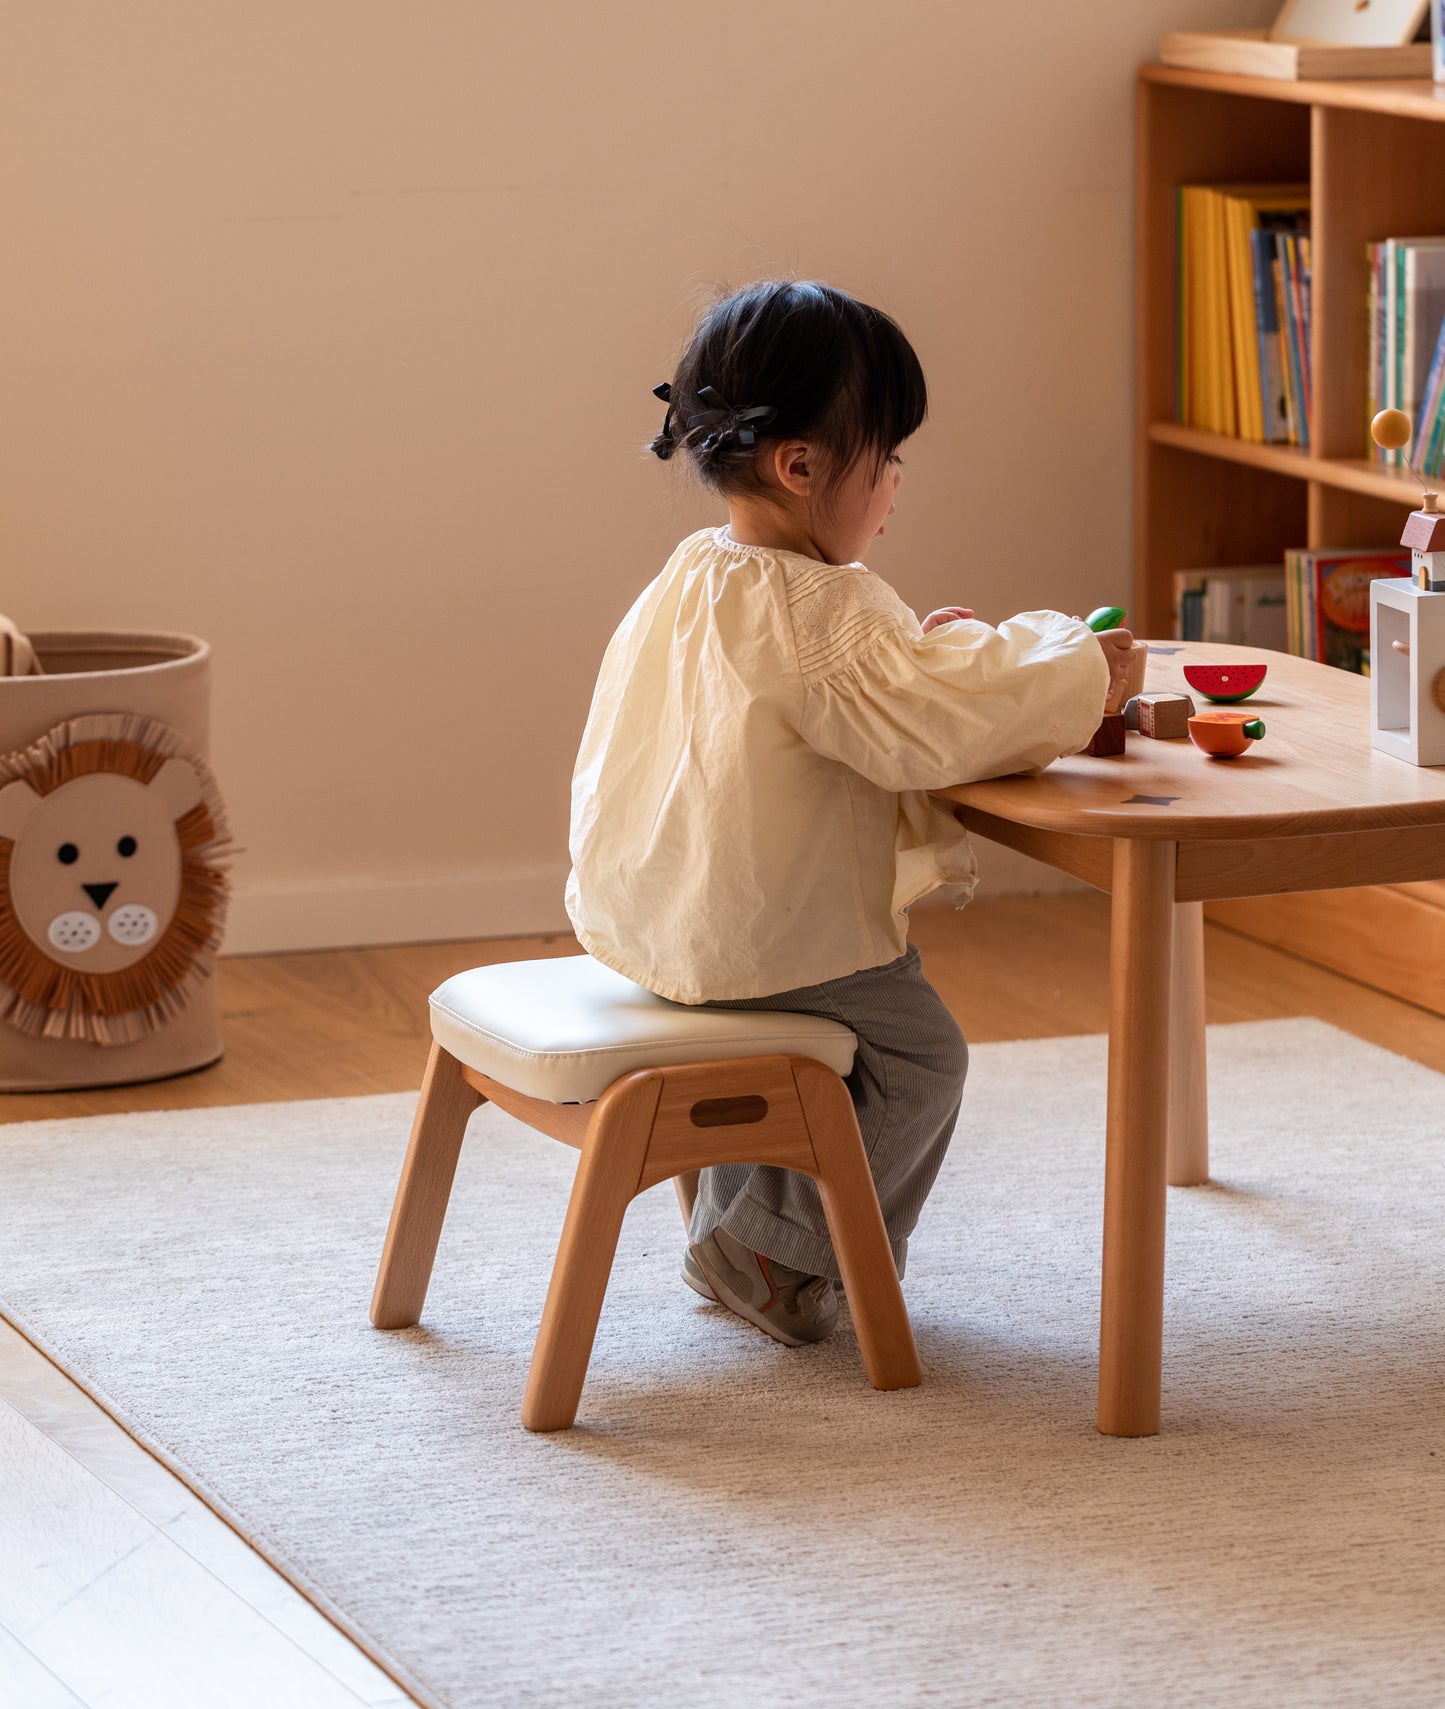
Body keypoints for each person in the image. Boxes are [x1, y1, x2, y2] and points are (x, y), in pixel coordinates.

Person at [565, 280, 1135, 1349]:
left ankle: (744, 1229)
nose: (895, 487)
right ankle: (772, 1249)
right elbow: (927, 724)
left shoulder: (697, 572)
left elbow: (883, 688)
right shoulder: (823, 603)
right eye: (888, 457)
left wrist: (942, 650)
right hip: (770, 934)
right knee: (918, 1055)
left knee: (778, 1055)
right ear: (801, 466)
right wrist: (1073, 664)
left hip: (657, 919)